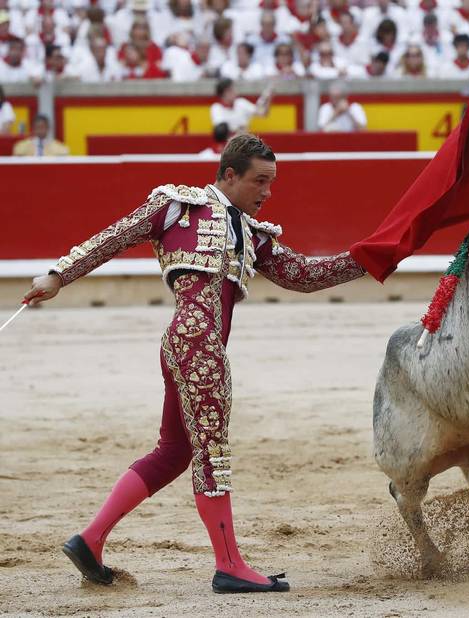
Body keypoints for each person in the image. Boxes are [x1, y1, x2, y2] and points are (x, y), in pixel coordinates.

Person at [24, 134, 366, 593]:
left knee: (174, 452)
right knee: (212, 454)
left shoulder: (250, 232)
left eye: (272, 183)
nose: (267, 193)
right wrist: (58, 275)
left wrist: (371, 258)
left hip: (189, 343)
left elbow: (303, 275)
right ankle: (229, 565)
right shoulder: (178, 206)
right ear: (229, 175)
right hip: (198, 343)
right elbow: (116, 235)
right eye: (259, 181)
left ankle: (90, 540)